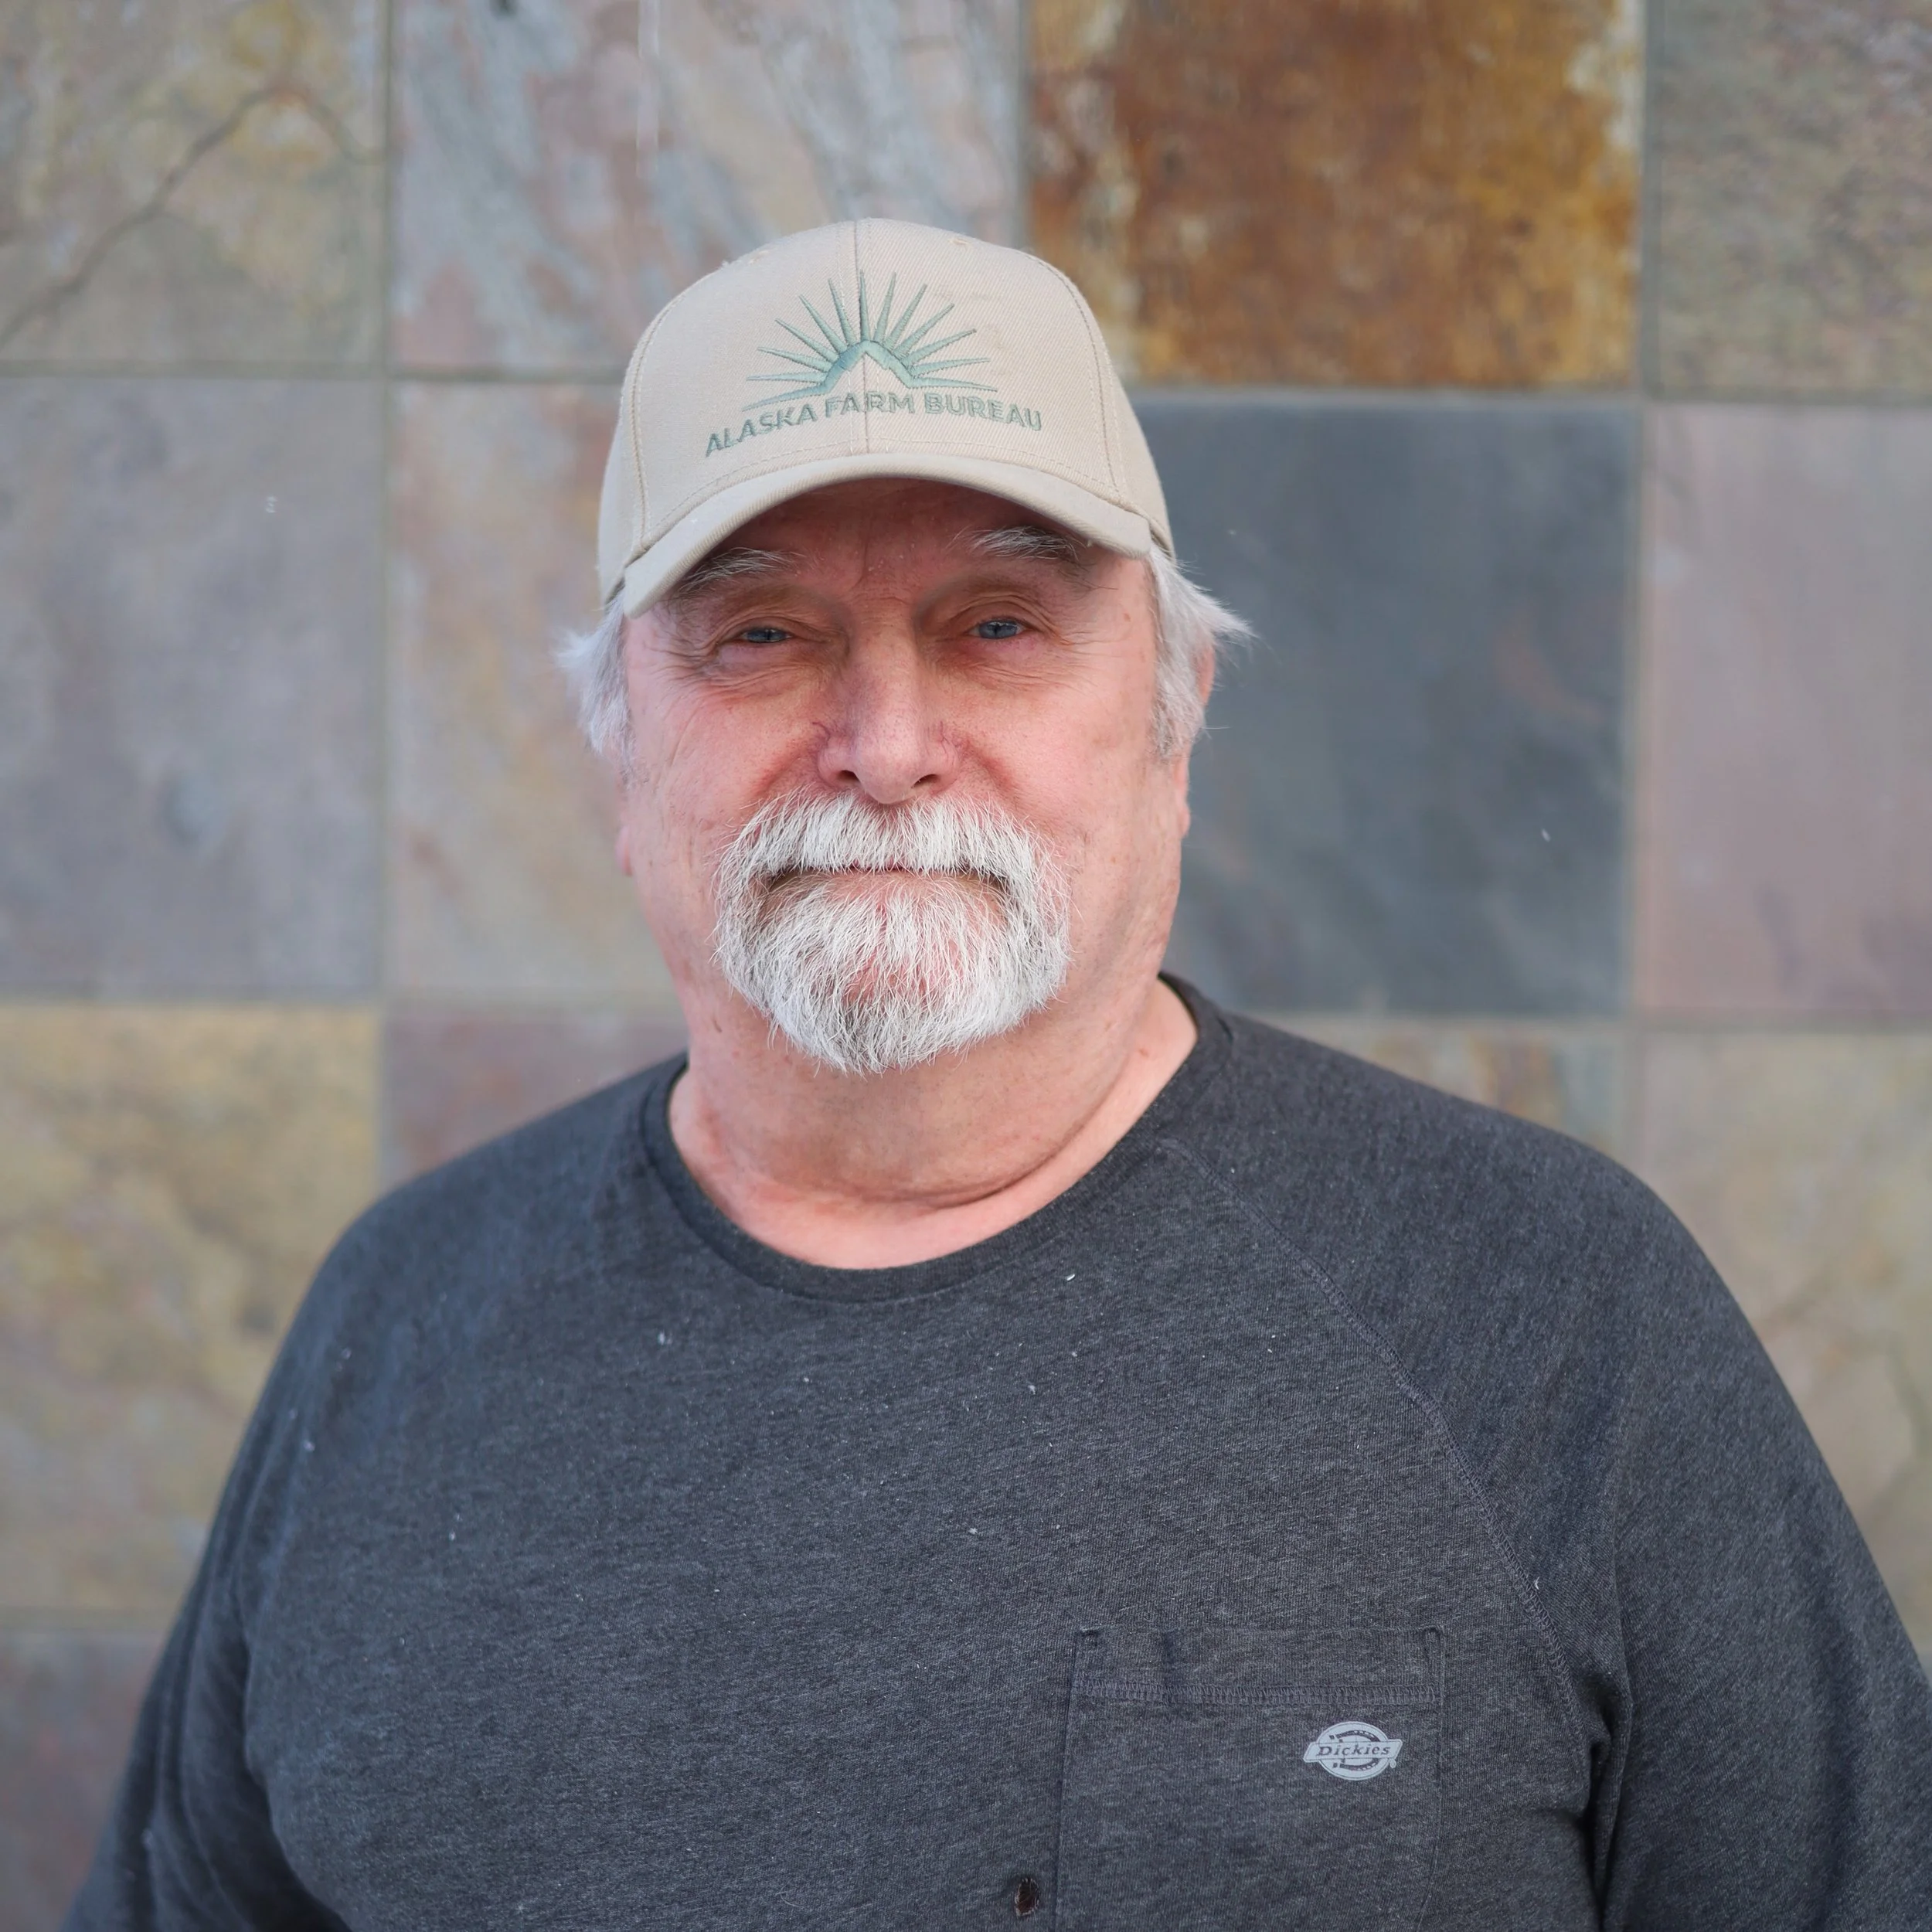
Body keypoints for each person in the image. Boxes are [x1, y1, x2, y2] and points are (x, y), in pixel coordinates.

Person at [70, 219, 1931, 1930]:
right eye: (765, 633)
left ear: (1170, 726)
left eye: (996, 624)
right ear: (621, 757)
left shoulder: (1548, 1314)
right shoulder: (397, 1319)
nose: (884, 747)